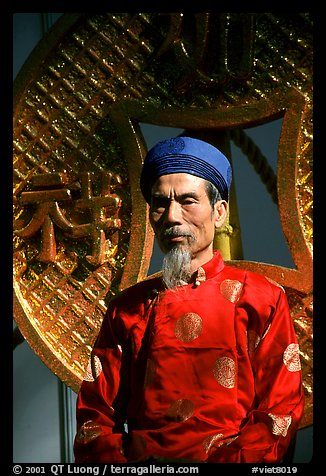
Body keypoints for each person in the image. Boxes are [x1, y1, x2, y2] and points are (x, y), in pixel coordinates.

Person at [73, 136, 304, 464]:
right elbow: (94, 419)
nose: (172, 216)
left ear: (219, 211)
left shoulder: (262, 299)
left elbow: (279, 412)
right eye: (160, 203)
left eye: (187, 201)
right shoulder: (126, 308)